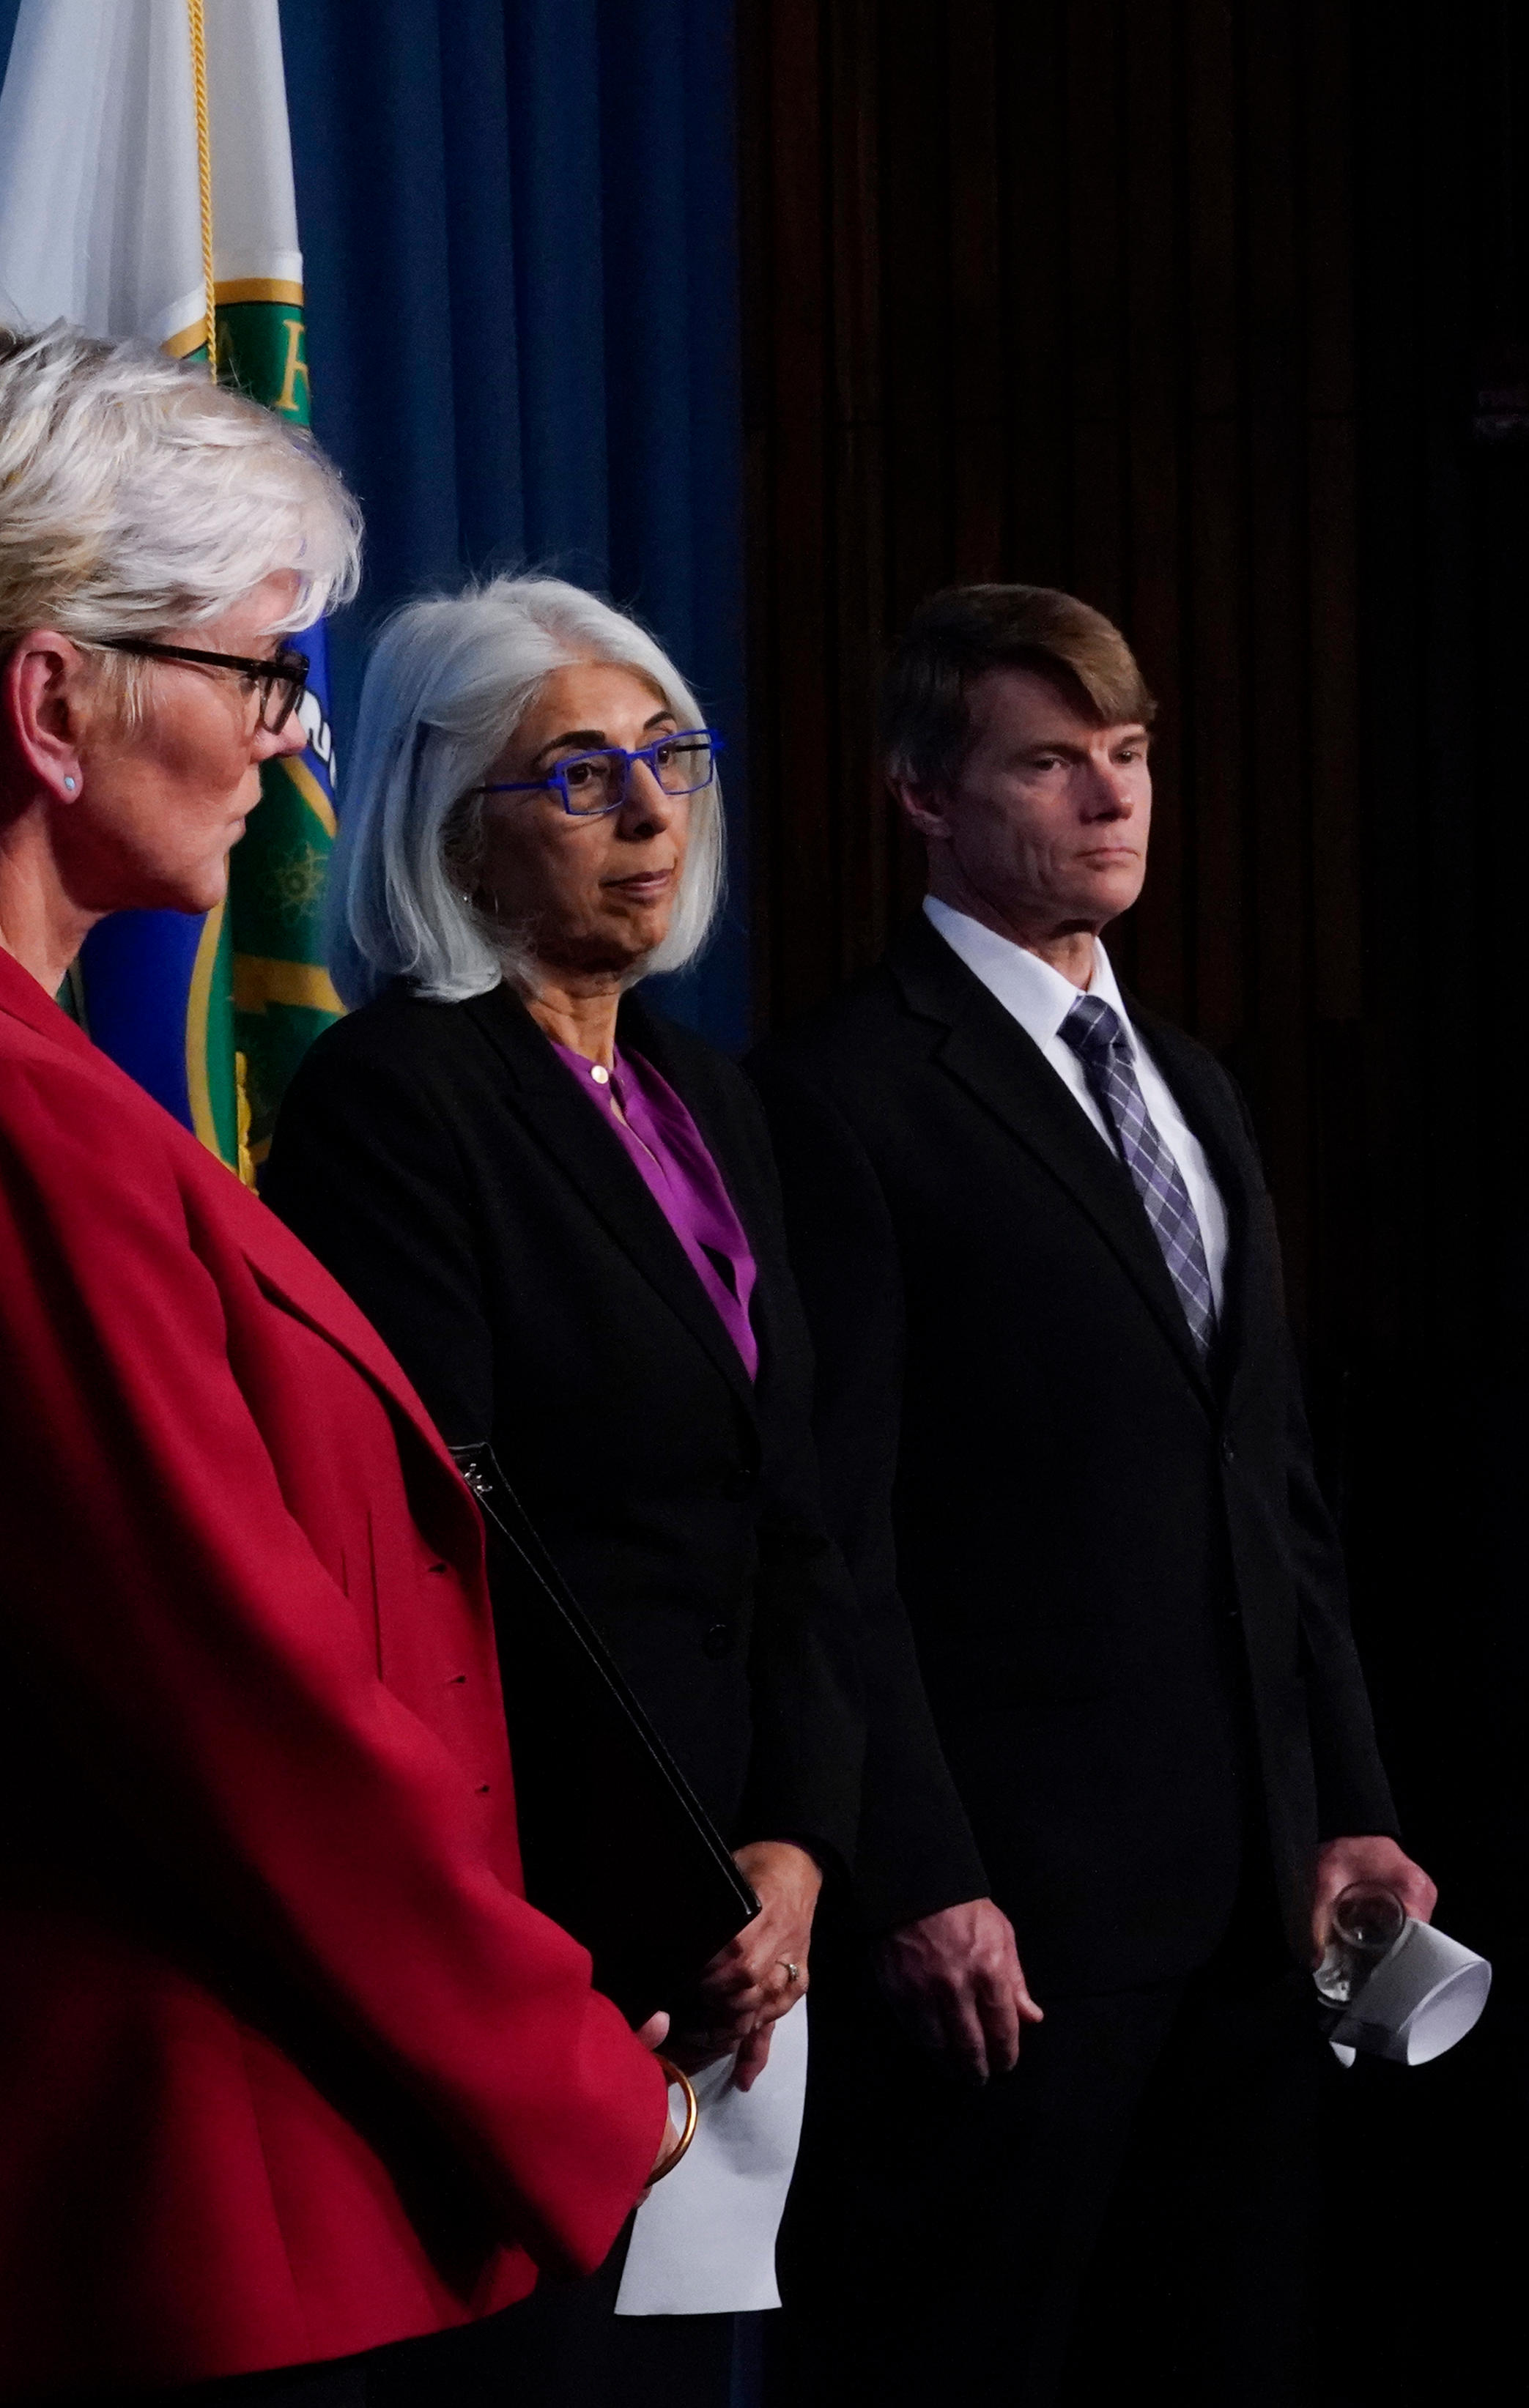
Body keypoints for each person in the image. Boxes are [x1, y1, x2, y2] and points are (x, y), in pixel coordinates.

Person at [0, 329, 682, 2404]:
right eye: (263, 674)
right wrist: (569, 2071)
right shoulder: (27, 1132)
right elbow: (243, 1709)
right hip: (176, 2209)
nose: (301, 753)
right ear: (52, 702)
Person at [753, 584, 1429, 2404]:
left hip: (1248, 1922)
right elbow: (834, 1530)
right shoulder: (840, 1093)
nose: (1112, 800)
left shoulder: (1192, 1084)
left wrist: (1348, 1804)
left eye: (1127, 758)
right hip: (1011, 1937)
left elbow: (1275, 1490)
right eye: (1050, 764)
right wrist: (921, 1873)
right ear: (923, 795)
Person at [259, 577, 865, 2396]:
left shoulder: (710, 1094)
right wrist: (684, 1876)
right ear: (451, 831)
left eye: (669, 759)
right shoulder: (399, 1098)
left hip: (743, 1905)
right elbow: (456, 1540)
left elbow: (796, 1512)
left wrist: (800, 1844)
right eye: (583, 776)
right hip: (558, 1902)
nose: (652, 813)